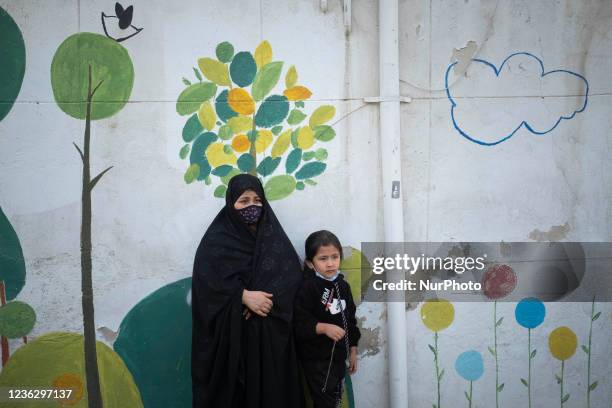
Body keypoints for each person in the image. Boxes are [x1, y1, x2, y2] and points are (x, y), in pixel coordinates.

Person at [191, 174, 304, 408]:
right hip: (234, 344)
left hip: (270, 343)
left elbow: (291, 277)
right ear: (231, 203)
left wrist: (265, 302)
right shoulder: (216, 241)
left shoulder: (273, 237)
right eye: (243, 201)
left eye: (257, 200)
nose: (252, 206)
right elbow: (206, 285)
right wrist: (242, 297)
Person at [294, 230, 361, 408]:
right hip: (316, 361)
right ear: (310, 262)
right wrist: (323, 327)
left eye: (335, 257)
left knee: (335, 401)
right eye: (323, 259)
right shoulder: (308, 287)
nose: (330, 263)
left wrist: (353, 350)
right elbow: (299, 323)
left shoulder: (343, 285)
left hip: (339, 358)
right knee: (324, 403)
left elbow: (350, 320)